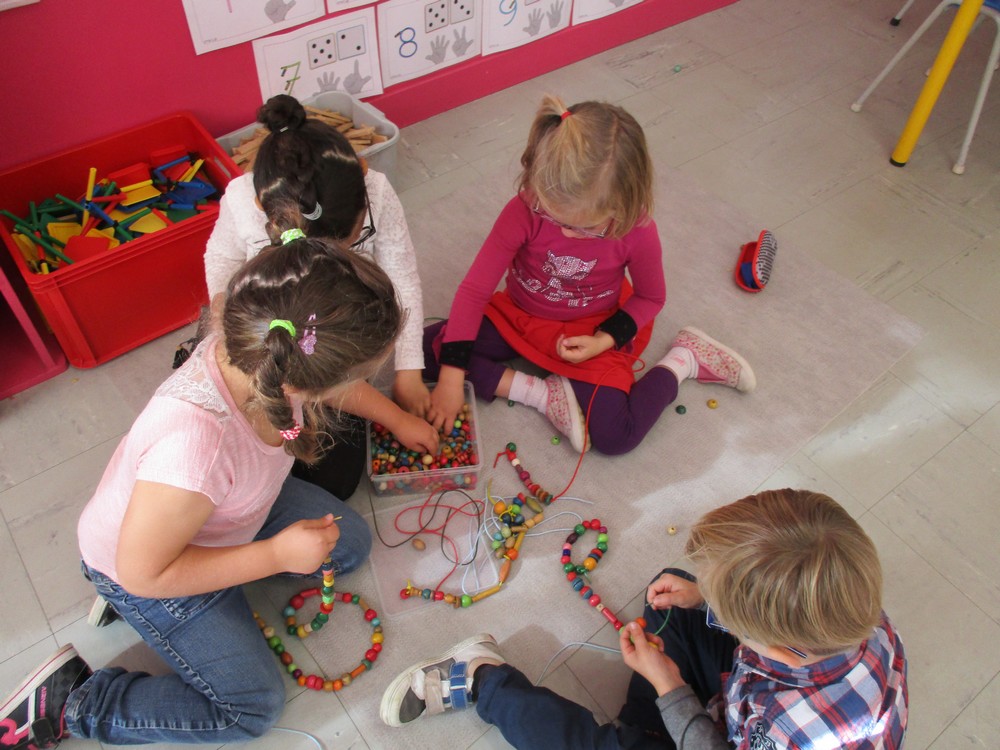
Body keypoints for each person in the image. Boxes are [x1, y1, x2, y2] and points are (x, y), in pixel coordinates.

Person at [0, 232, 403, 747]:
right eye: (353, 377)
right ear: (300, 384)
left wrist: (394, 416)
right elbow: (142, 570)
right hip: (143, 566)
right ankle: (76, 704)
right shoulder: (194, 449)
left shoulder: (256, 340)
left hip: (226, 509)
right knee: (251, 708)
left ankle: (198, 593)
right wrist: (273, 555)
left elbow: (327, 389)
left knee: (348, 546)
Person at [379, 489, 909, 749]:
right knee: (671, 597)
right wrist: (702, 597)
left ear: (761, 635)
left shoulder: (794, 731)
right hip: (756, 687)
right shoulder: (846, 608)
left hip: (736, 731)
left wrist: (672, 690)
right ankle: (652, 718)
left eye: (726, 604)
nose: (713, 597)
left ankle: (481, 679)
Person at [423, 94, 755, 455]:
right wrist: (452, 378)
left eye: (588, 228)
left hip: (592, 327)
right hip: (519, 316)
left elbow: (651, 297)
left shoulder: (636, 229)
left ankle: (685, 359)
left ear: (624, 205)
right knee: (425, 349)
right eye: (555, 217)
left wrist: (604, 340)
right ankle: (541, 395)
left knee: (616, 435)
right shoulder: (526, 209)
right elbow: (474, 291)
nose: (567, 234)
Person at [204, 93, 434, 499]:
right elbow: (220, 258)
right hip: (269, 341)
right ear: (264, 208)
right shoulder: (241, 200)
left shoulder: (376, 192)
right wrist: (227, 316)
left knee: (336, 481)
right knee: (268, 455)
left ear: (364, 174)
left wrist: (410, 369)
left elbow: (404, 277)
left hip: (321, 348)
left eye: (352, 243)